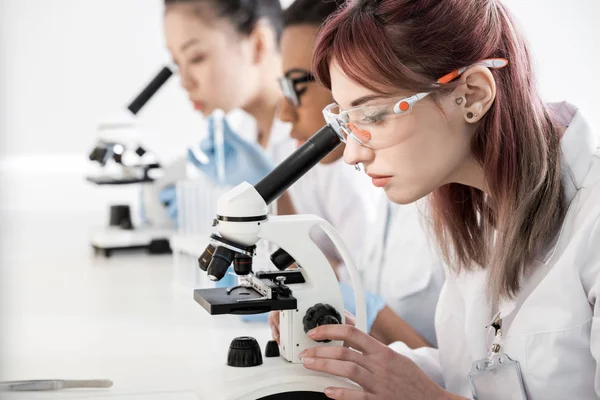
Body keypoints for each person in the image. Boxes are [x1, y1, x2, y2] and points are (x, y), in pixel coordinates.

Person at [271, 0, 600, 398]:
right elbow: (470, 375)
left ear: (473, 95)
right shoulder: (477, 212)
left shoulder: (591, 222)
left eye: (373, 116)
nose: (354, 154)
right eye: (347, 122)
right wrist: (360, 357)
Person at [270, 0, 444, 348]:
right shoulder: (391, 194)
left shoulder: (443, 198)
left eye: (296, 86)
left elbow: (463, 373)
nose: (353, 154)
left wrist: (360, 309)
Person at [162, 0, 376, 271]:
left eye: (196, 57)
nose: (184, 81)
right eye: (175, 63)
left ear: (259, 43)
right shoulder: (244, 133)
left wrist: (276, 208)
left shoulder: (331, 138)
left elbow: (363, 282)